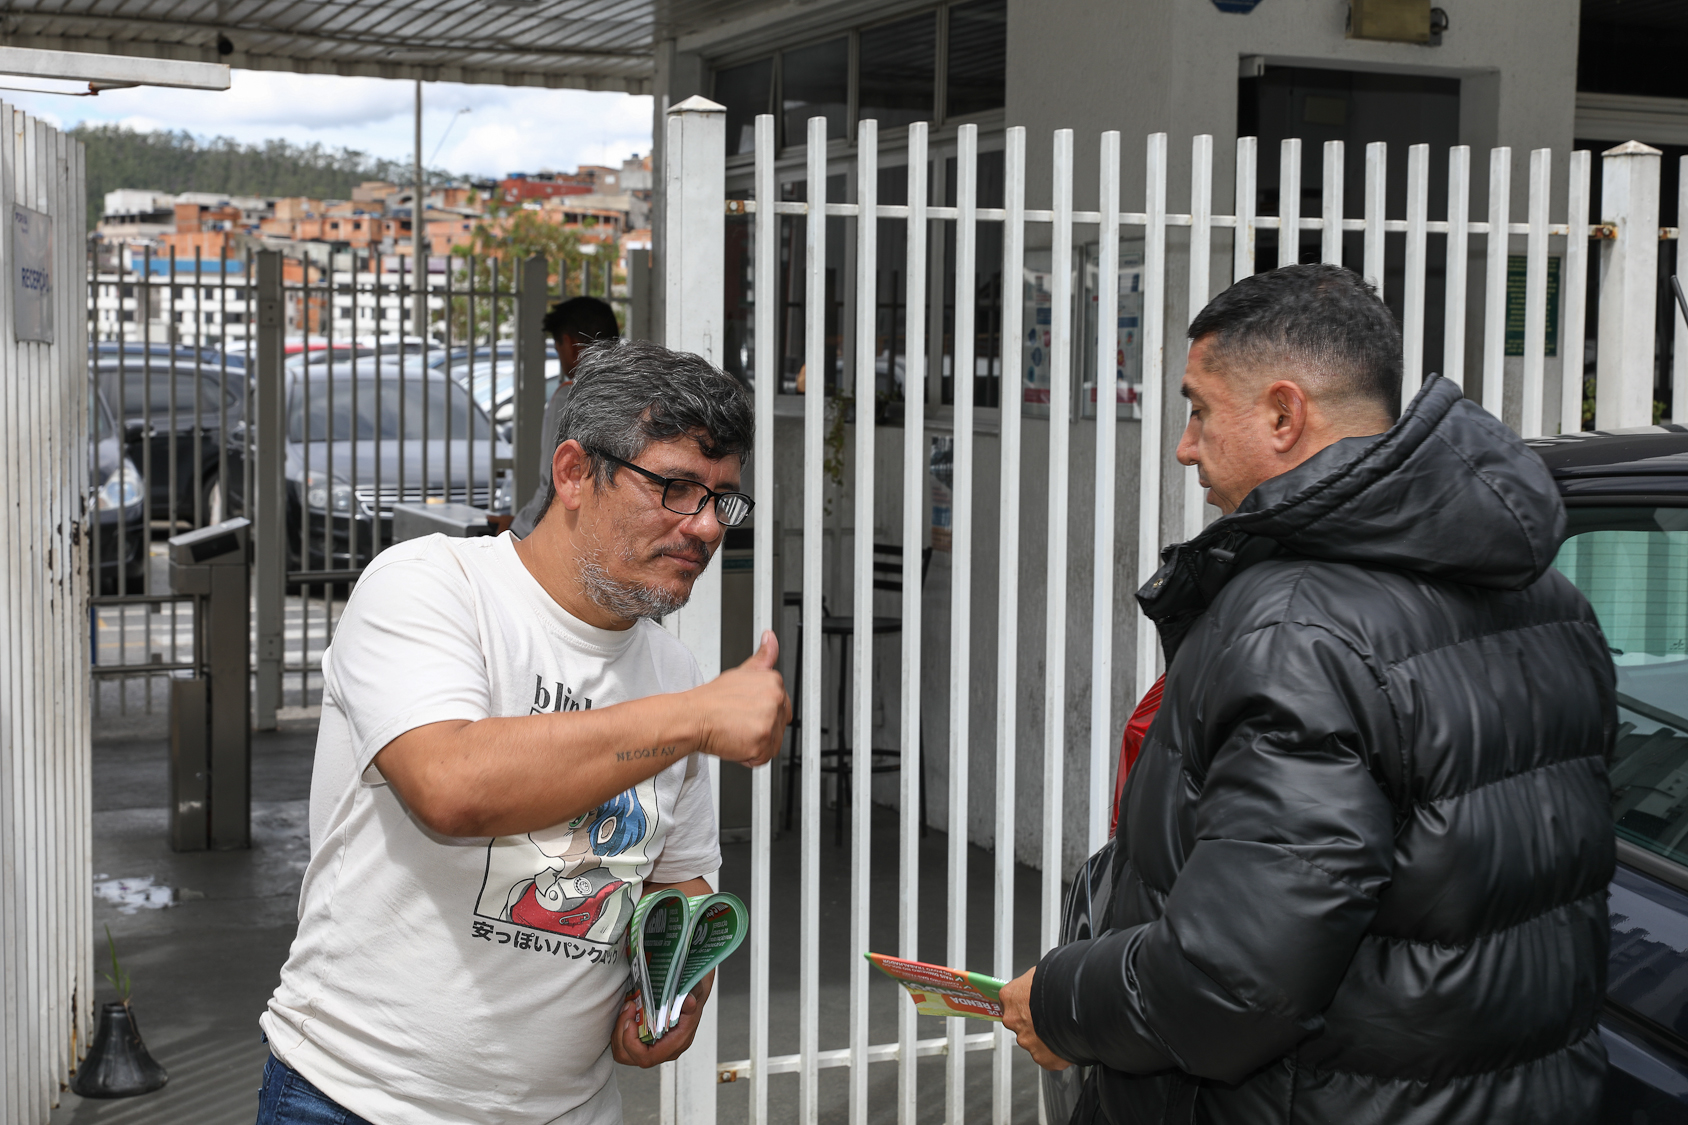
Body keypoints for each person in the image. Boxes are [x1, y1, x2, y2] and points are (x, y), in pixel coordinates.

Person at [1000, 264, 1614, 1123]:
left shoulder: (1293, 628)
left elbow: (1231, 982)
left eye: (1200, 408)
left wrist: (1061, 1000)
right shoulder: (1555, 602)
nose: (1185, 444)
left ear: (1285, 414)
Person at [257, 338, 791, 1125]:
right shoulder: (434, 587)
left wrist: (671, 986)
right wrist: (699, 716)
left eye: (723, 498)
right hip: (357, 1098)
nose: (707, 527)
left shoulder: (673, 671)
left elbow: (679, 877)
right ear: (575, 472)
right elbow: (450, 784)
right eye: (677, 487)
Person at [511, 295, 622, 538]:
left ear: (570, 343)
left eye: (557, 347)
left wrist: (515, 529)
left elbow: (551, 485)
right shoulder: (636, 391)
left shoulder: (568, 396)